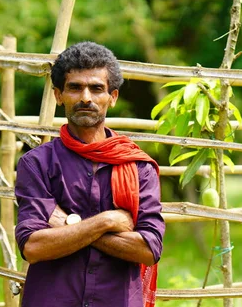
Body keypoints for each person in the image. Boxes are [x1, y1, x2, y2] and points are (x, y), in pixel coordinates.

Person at [15, 41, 165, 307]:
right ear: (58, 95)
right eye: (75, 87)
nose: (86, 98)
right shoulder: (36, 164)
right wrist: (106, 221)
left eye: (96, 88)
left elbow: (148, 249)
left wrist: (69, 226)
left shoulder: (139, 167)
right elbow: (34, 247)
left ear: (113, 97)